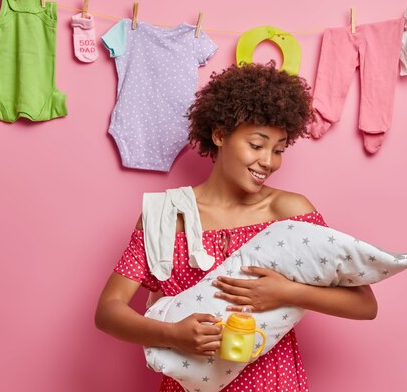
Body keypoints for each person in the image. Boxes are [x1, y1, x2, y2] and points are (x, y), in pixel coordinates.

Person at [95, 62, 378, 392]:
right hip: (190, 384)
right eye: (257, 145)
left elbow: (364, 303)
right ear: (219, 134)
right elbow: (108, 311)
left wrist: (287, 292)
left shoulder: (289, 212)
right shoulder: (167, 215)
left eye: (279, 149)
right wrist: (172, 335)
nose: (268, 162)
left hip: (273, 383)